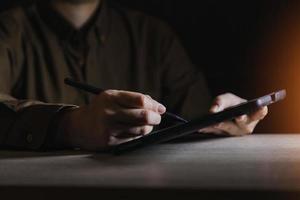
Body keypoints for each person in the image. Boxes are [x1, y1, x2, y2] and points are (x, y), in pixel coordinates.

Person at [0, 0, 268, 151]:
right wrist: (71, 125)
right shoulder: (9, 30)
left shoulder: (153, 36)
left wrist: (224, 120)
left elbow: (195, 117)